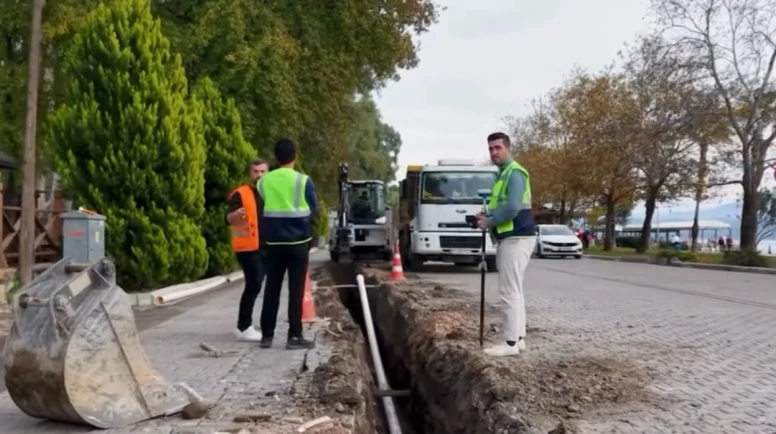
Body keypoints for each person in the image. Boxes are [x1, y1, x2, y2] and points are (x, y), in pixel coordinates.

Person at [476, 132, 536, 357]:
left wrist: (488, 222)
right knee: (515, 290)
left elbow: (512, 207)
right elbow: (502, 205)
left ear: (508, 148)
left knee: (509, 292)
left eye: (498, 148)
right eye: (491, 149)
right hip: (512, 237)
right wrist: (487, 215)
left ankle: (509, 343)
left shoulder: (514, 173)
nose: (494, 152)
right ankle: (518, 339)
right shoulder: (503, 174)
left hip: (515, 237)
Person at [256, 139, 318, 350]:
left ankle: (267, 336)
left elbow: (262, 205)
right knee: (296, 289)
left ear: (276, 158)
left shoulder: (263, 182)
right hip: (298, 242)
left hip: (273, 242)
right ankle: (294, 336)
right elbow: (313, 208)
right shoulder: (303, 181)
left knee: (272, 287)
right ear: (295, 156)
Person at [225, 159, 269, 342]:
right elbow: (228, 218)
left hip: (267, 247)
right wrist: (235, 216)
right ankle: (244, 327)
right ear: (250, 173)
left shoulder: (270, 193)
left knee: (258, 285)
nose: (259, 175)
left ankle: (247, 325)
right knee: (254, 284)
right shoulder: (240, 194)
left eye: (262, 171)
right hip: (248, 247)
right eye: (255, 171)